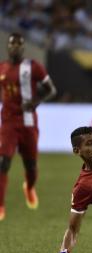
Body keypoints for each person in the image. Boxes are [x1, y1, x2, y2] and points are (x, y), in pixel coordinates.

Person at [0, 33, 57, 220]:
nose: (15, 47)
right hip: (8, 123)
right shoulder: (2, 68)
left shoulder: (33, 67)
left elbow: (51, 89)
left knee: (30, 165)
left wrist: (35, 101)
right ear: (8, 47)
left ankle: (29, 187)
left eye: (18, 44)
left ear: (23, 47)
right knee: (3, 162)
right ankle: (0, 205)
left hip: (28, 123)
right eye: (12, 43)